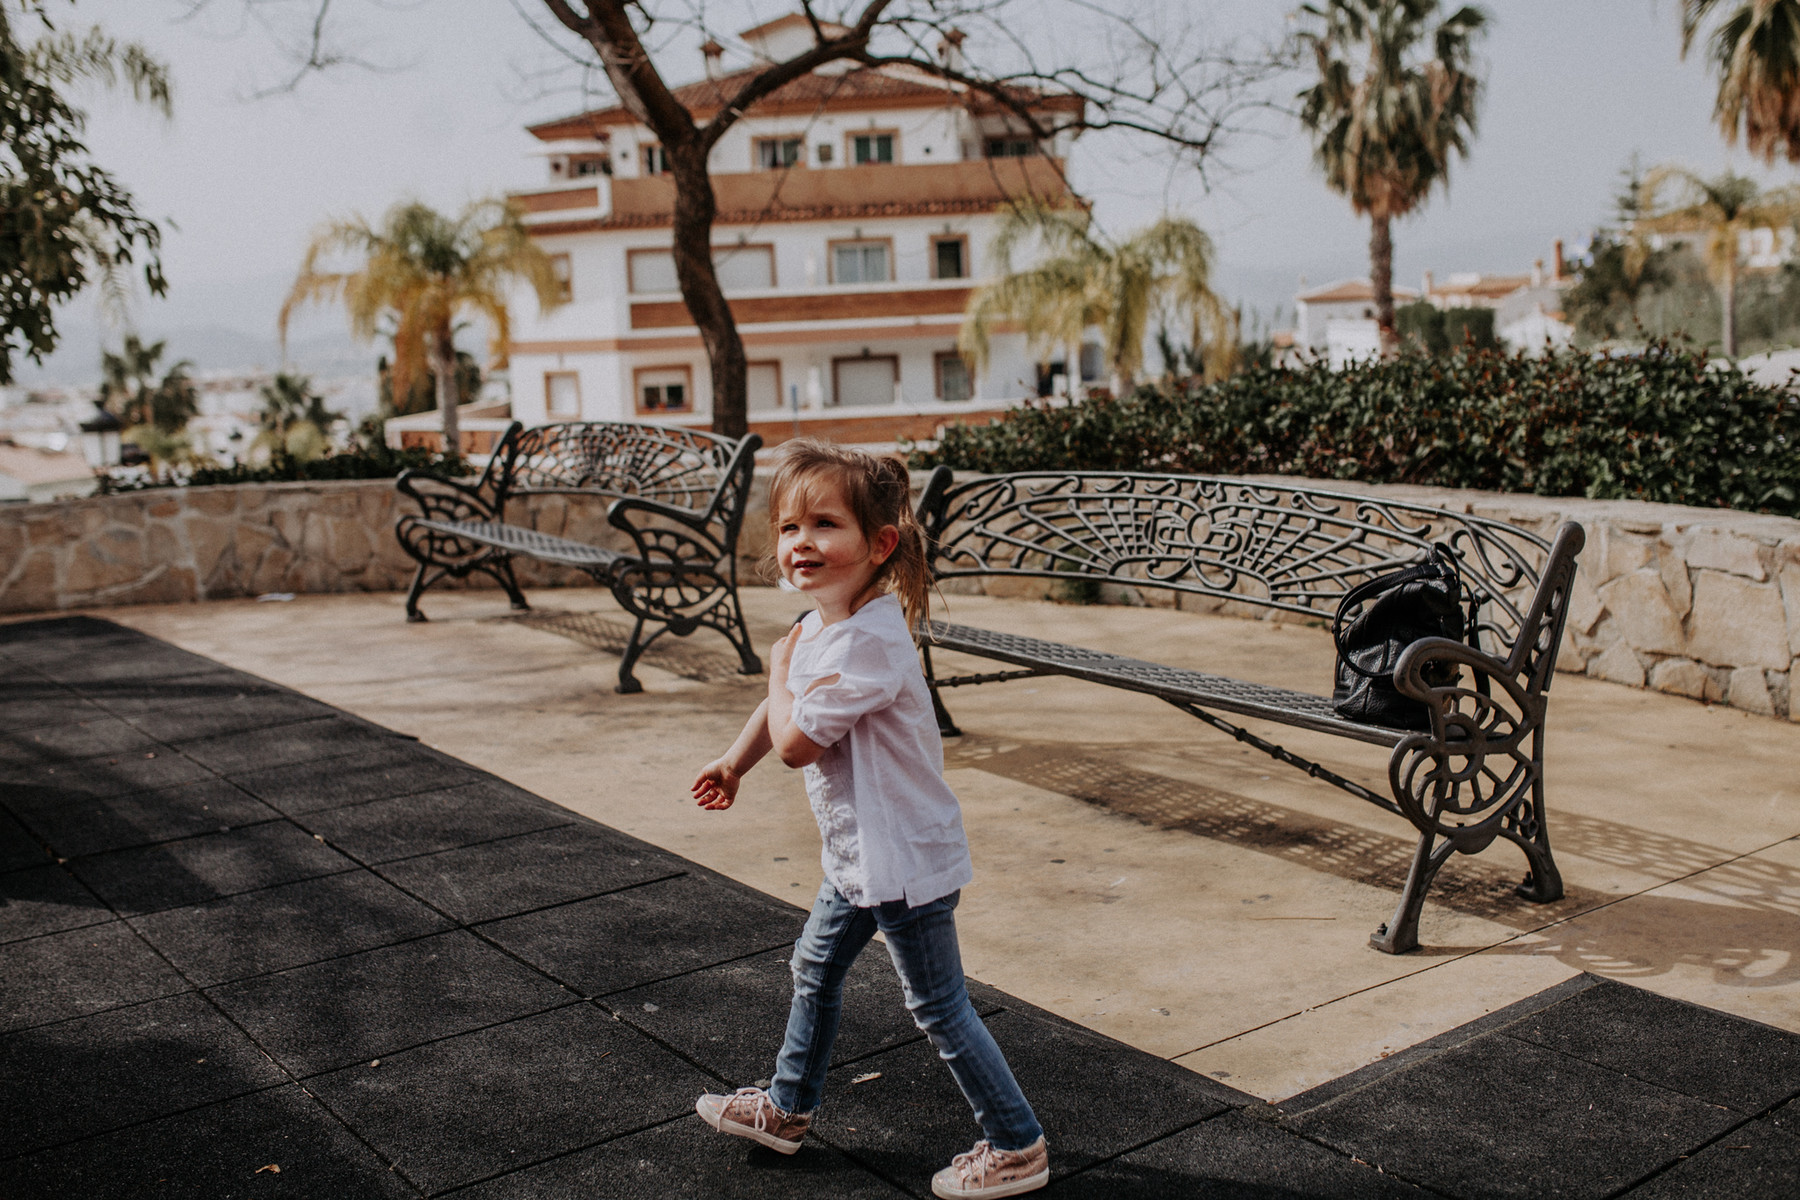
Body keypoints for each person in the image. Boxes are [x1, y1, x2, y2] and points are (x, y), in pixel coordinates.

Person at [690, 439, 1048, 1200]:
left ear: (879, 544)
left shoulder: (872, 643)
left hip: (902, 863)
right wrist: (730, 762)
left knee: (939, 1008)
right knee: (814, 968)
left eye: (824, 524)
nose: (801, 543)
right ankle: (787, 1110)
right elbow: (777, 714)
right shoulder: (821, 627)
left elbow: (796, 738)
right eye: (789, 527)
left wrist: (777, 674)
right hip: (857, 859)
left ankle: (1017, 1144)